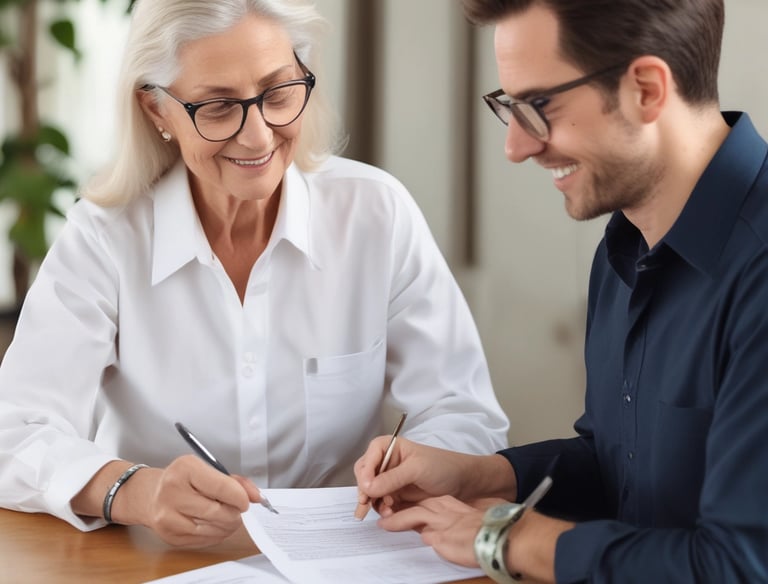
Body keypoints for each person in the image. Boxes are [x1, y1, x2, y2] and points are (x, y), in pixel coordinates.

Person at [0, 0, 510, 548]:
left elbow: (466, 414)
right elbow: (13, 435)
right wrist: (135, 490)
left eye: (278, 93)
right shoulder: (106, 237)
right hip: (155, 562)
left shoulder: (375, 214)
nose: (260, 137)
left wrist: (416, 463)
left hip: (342, 560)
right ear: (156, 111)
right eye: (219, 107)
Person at [354, 0, 768, 582]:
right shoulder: (623, 249)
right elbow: (617, 464)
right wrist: (478, 475)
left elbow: (737, 568)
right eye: (510, 107)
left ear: (647, 89)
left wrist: (507, 537)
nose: (517, 147)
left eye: (539, 106)